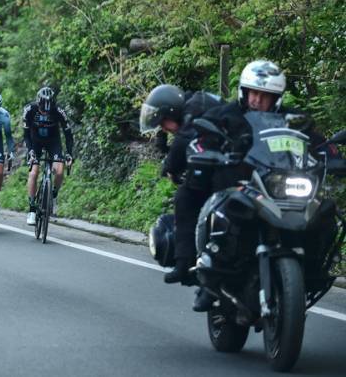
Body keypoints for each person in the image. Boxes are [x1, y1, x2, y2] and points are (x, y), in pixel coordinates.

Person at [185, 60, 333, 311]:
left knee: (327, 212)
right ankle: (210, 274)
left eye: (264, 95)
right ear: (244, 92)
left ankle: (314, 267)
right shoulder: (225, 114)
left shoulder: (292, 120)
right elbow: (200, 138)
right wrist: (208, 150)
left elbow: (318, 143)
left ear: (275, 98)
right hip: (239, 183)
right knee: (223, 208)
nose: (257, 100)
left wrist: (333, 154)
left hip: (279, 185)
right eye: (253, 93)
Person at [140, 84, 222, 288]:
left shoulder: (192, 113)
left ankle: (184, 262)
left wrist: (169, 168)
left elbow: (182, 144)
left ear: (171, 111)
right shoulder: (200, 101)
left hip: (225, 165)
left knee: (184, 198)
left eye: (164, 122)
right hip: (230, 161)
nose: (164, 128)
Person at [22, 86, 74, 225]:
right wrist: (30, 151)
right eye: (42, 110)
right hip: (35, 142)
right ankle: (32, 209)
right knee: (34, 173)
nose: (45, 112)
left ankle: (53, 196)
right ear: (38, 103)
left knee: (59, 171)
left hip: (53, 142)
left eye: (48, 110)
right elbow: (26, 135)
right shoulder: (29, 110)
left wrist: (69, 153)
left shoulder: (59, 111)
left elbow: (68, 134)